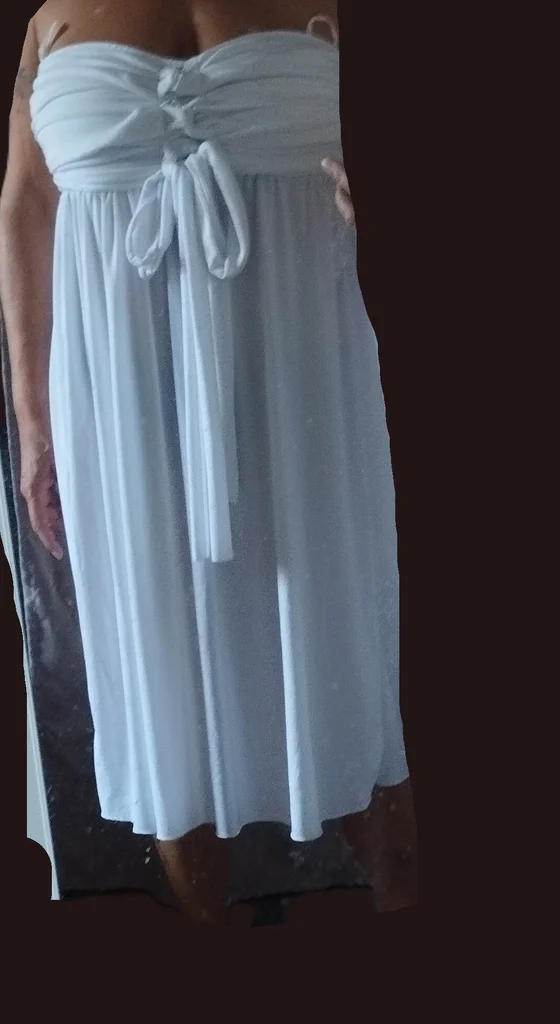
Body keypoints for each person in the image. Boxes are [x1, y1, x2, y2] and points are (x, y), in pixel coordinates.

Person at [0, 0, 416, 922]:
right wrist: (32, 422)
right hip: (120, 405)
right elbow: (26, 203)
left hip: (306, 381)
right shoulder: (48, 20)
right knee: (165, 678)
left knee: (343, 650)